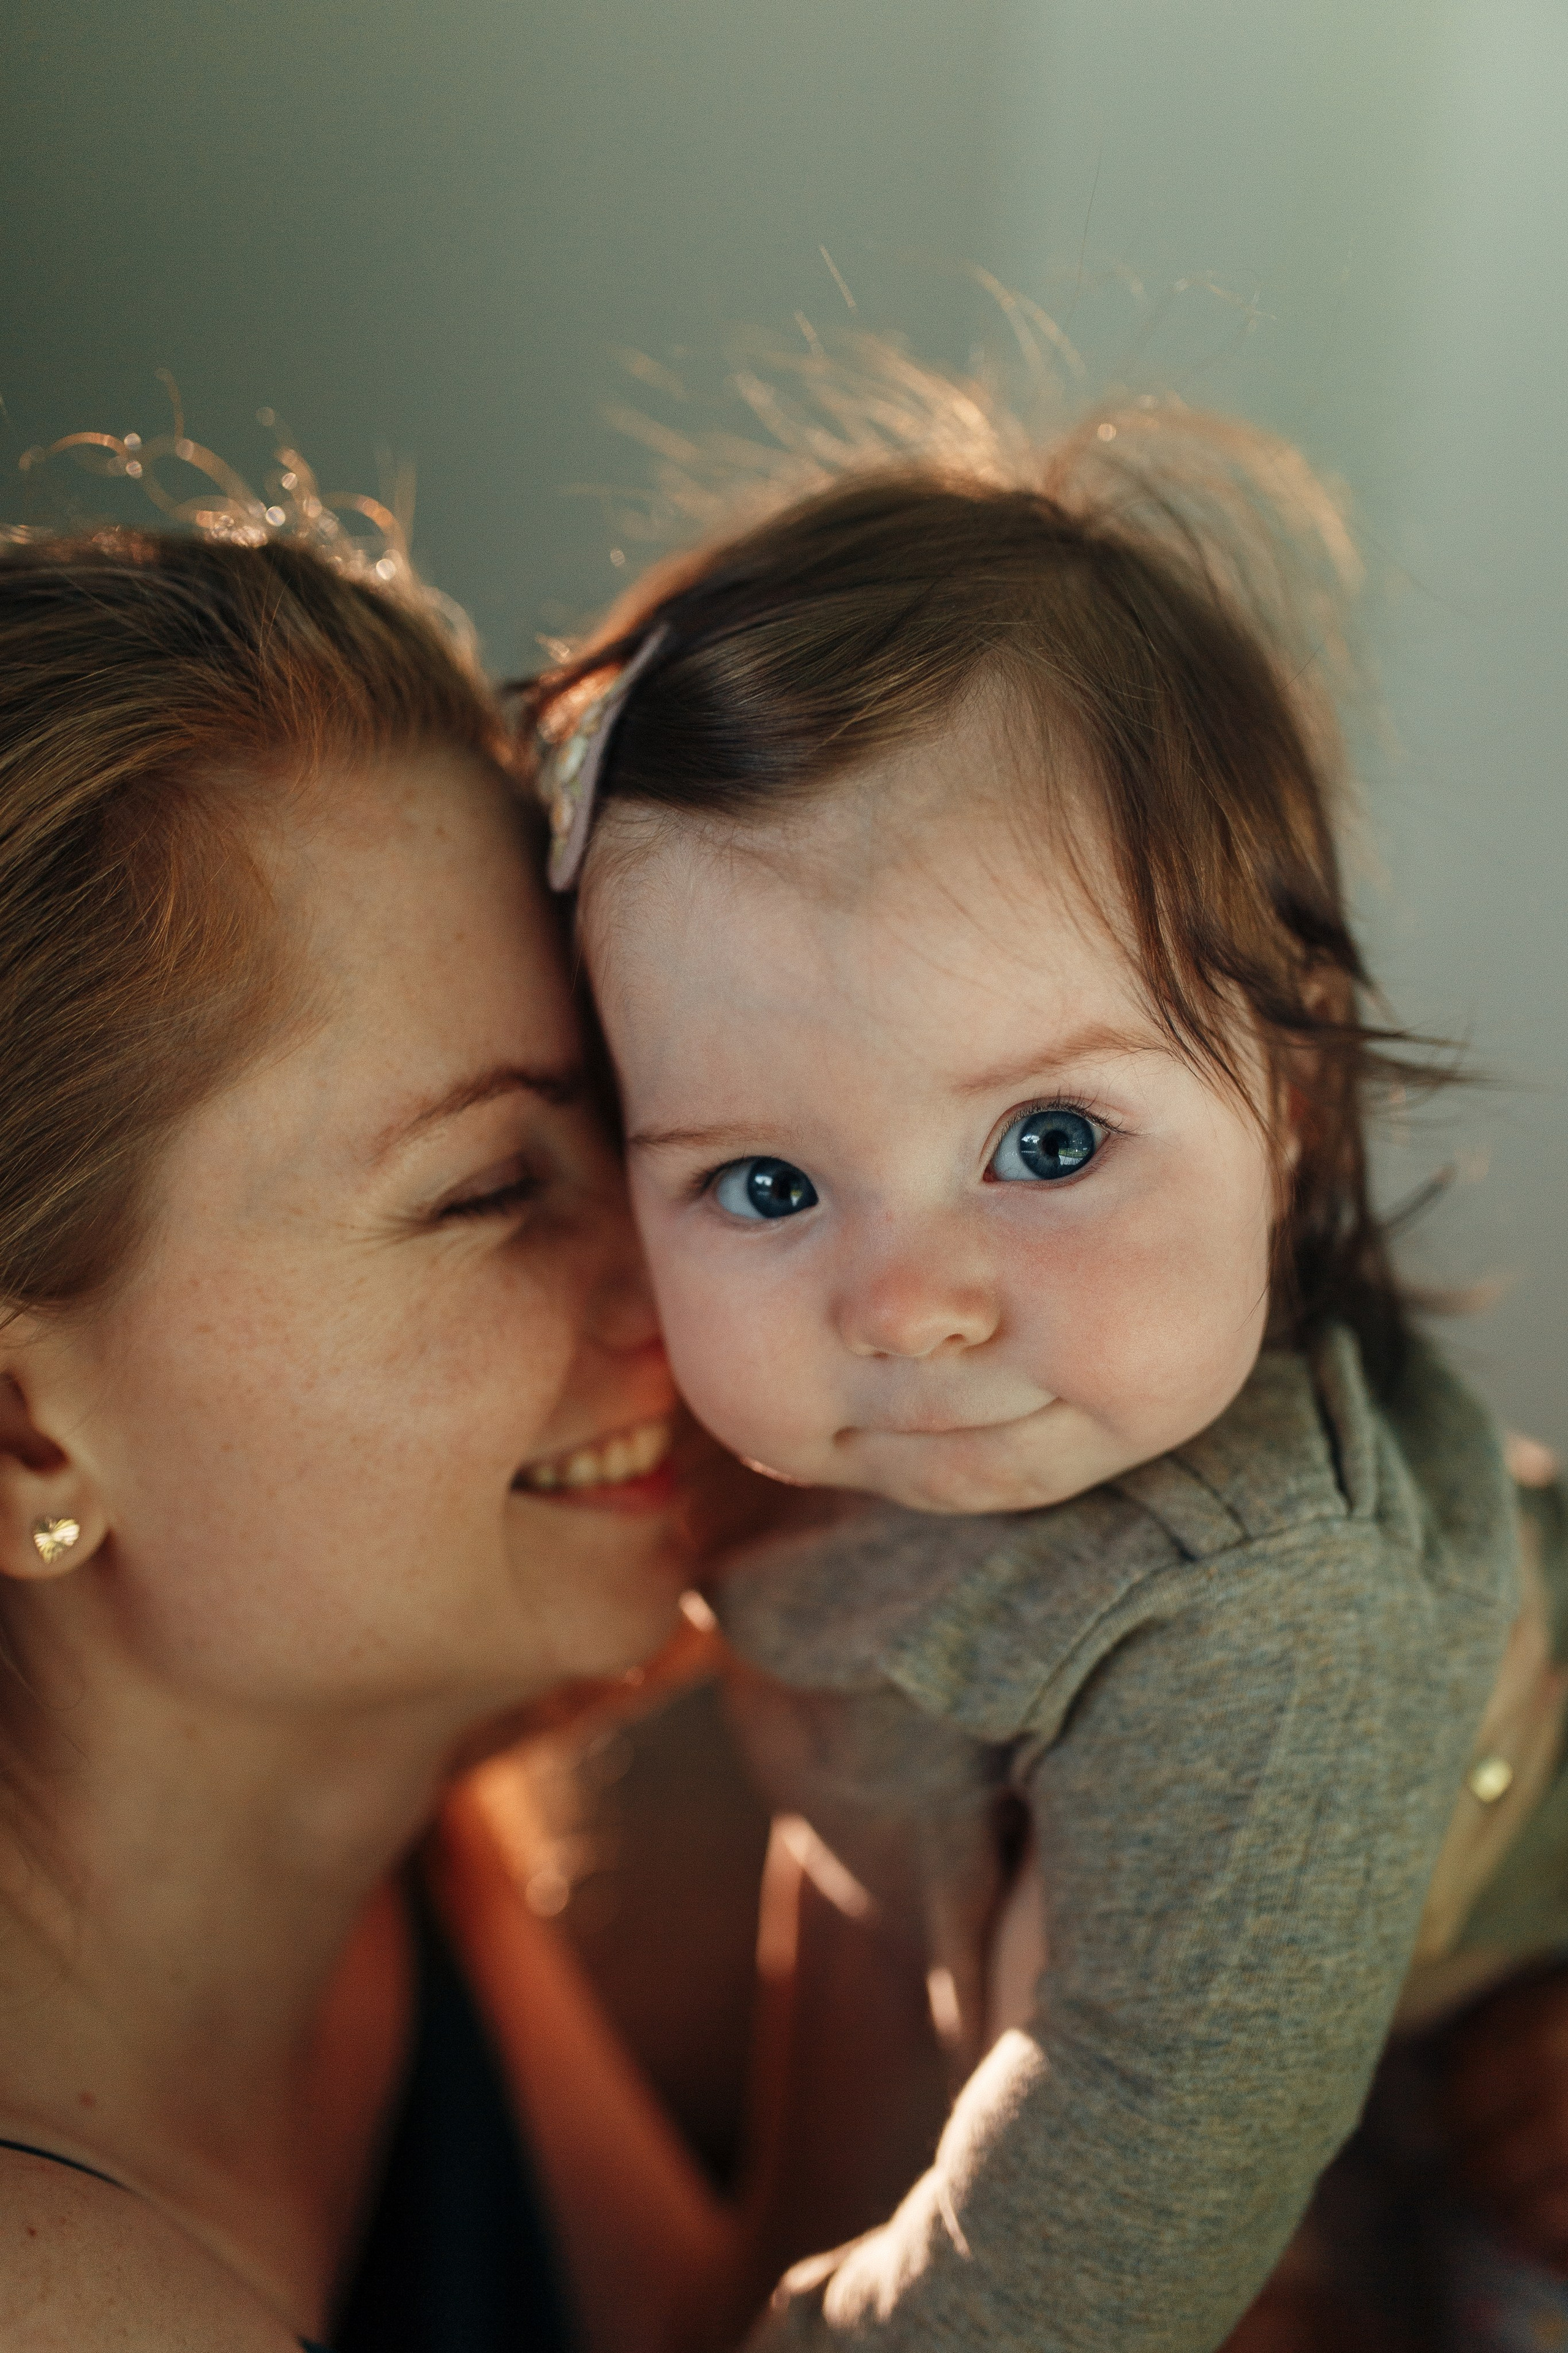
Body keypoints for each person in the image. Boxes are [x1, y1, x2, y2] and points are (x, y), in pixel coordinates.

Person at [518, 380, 1568, 2350]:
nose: (913, 1304)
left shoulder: (1266, 1614)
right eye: (764, 1178)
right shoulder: (811, 1469)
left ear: (1289, 1099)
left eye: (1051, 1144)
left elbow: (1127, 2192)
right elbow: (857, 1882)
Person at [0, 513, 947, 2353]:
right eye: (493, 1185)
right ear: (29, 1433)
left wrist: (897, 1766)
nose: (688, 1281)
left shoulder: (394, 1904)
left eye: (643, 1128)